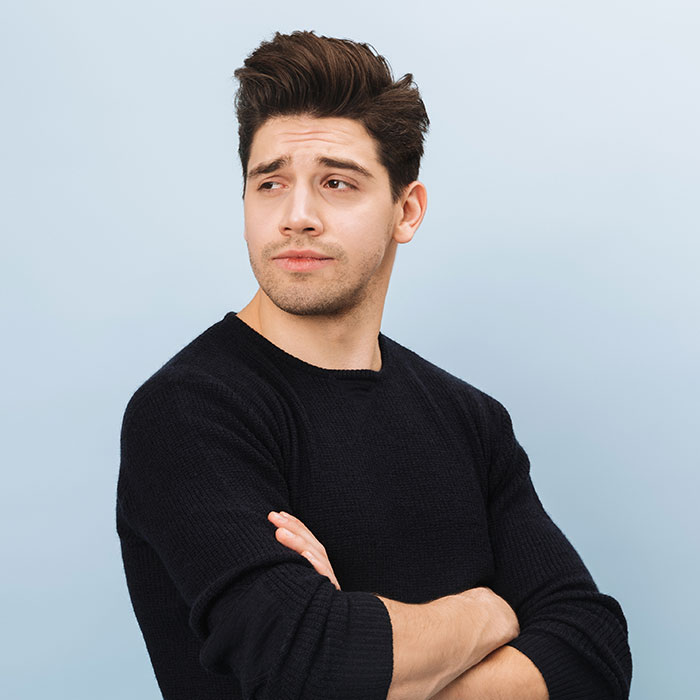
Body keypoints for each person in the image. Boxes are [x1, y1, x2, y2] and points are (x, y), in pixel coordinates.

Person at [116, 30, 633, 700]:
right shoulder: (187, 413)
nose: (297, 216)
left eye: (336, 182)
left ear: (405, 211)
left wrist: (366, 652)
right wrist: (488, 612)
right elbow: (311, 671)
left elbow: (594, 657)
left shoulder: (471, 420)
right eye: (270, 183)